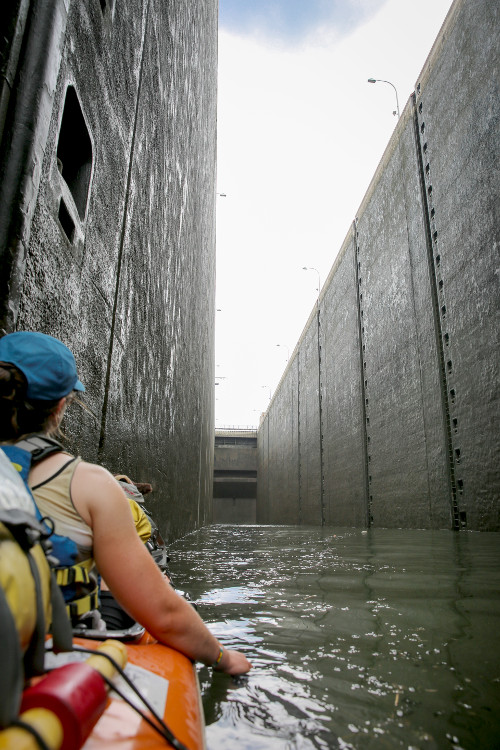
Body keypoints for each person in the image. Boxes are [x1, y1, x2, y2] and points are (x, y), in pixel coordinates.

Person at [0, 331, 251, 675]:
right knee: (109, 585)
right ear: (62, 404)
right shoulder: (89, 484)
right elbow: (164, 614)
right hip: (44, 660)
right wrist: (223, 657)